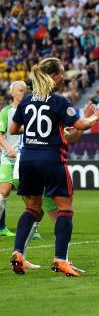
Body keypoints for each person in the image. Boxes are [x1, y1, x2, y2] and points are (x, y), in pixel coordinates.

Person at [9, 57, 99, 277]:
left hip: (28, 160)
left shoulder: (27, 101)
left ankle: (18, 254)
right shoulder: (59, 101)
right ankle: (61, 260)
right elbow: (80, 125)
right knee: (65, 209)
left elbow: (13, 130)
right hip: (51, 159)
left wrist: (36, 132)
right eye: (61, 73)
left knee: (32, 208)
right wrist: (95, 117)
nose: (63, 77)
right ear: (53, 76)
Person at [0, 81, 27, 237]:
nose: (23, 92)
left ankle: (33, 228)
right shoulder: (6, 112)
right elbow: (0, 135)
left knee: (30, 195)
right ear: (12, 93)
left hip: (25, 159)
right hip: (8, 158)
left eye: (25, 89)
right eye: (20, 89)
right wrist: (9, 148)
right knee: (3, 192)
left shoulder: (30, 111)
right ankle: (1, 227)